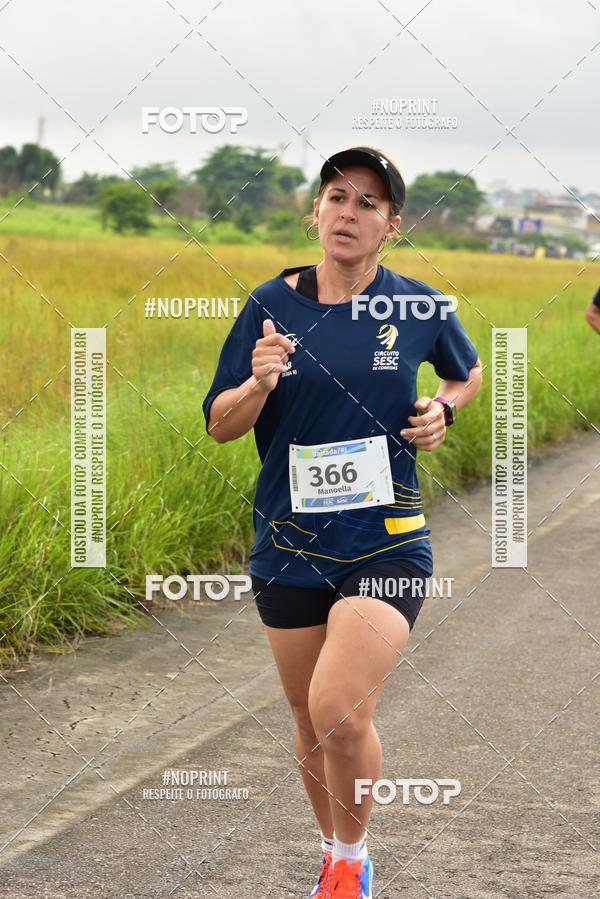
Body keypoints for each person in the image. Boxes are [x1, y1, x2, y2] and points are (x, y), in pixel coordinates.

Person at [202, 146, 483, 898]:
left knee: (338, 706)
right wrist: (259, 382)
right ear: (314, 212)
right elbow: (220, 425)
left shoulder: (419, 305)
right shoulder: (268, 304)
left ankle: (353, 867)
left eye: (367, 203)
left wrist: (442, 410)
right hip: (287, 544)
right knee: (308, 719)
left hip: (387, 541)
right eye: (337, 196)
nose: (348, 213)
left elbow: (467, 370)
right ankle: (332, 851)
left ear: (391, 224)